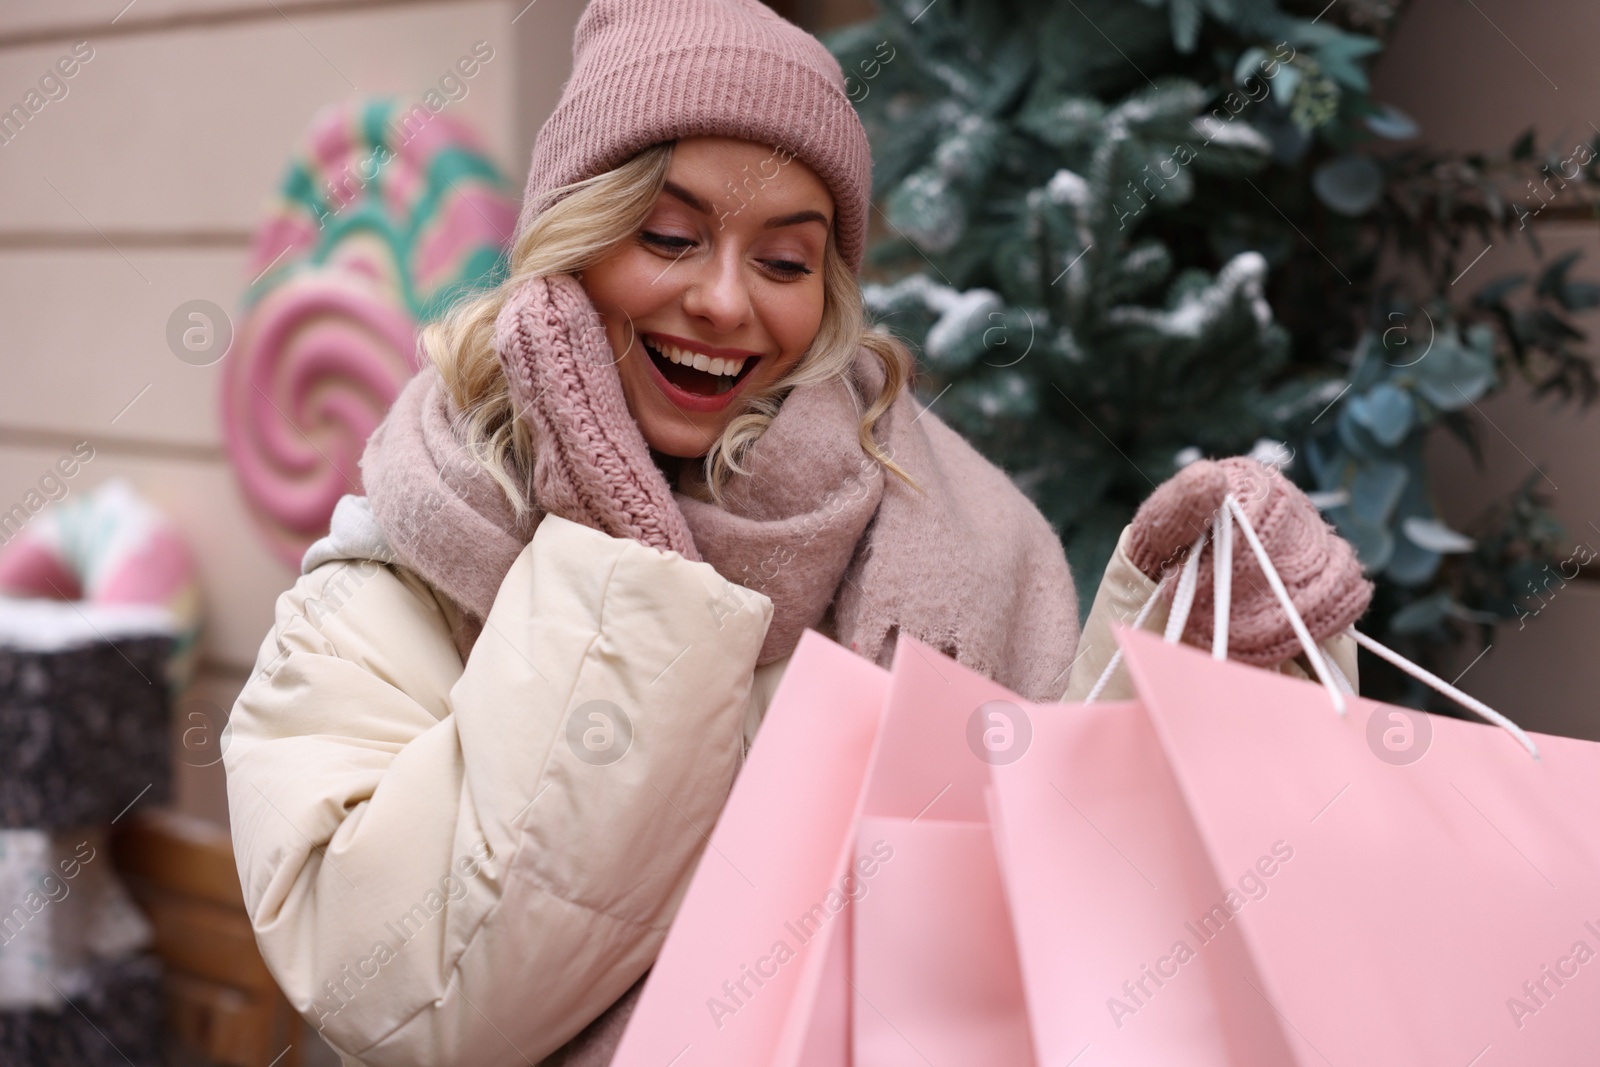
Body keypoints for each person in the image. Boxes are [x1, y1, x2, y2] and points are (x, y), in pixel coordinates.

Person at [223, 1, 1084, 1064]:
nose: (724, 300)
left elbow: (1063, 904)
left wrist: (1188, 607)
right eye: (670, 238)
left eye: (783, 262)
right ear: (570, 243)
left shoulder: (971, 534)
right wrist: (632, 556)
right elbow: (417, 1003)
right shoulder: (392, 569)